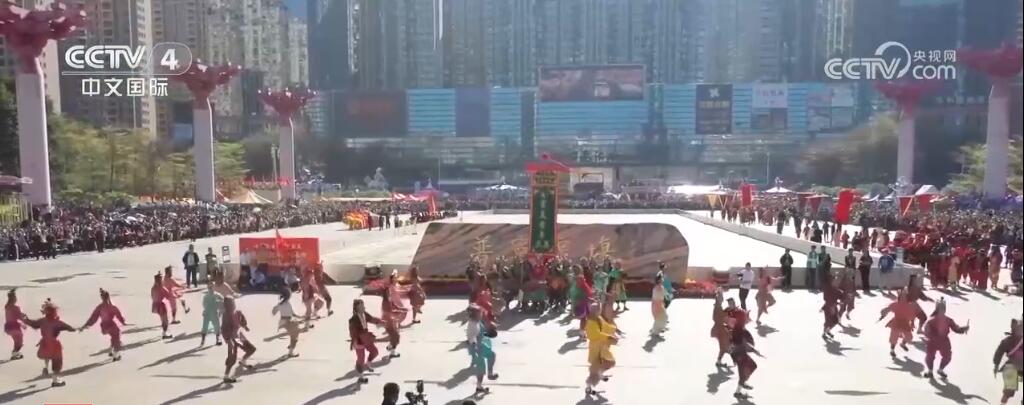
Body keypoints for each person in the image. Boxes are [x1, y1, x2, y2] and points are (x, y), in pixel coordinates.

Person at [24, 299, 74, 387]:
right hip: (54, 344)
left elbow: (33, 324)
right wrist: (77, 328)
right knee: (57, 361)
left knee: (47, 356)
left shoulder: (42, 321)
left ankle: (46, 368)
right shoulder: (57, 322)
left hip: (45, 343)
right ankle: (55, 380)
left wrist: (26, 320)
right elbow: (69, 328)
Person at [922, 298, 969, 379]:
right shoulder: (931, 320)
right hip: (932, 341)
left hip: (944, 341)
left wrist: (964, 328)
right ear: (937, 309)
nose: (942, 310)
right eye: (940, 308)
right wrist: (929, 337)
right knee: (930, 356)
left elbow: (956, 329)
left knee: (947, 356)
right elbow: (926, 331)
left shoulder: (948, 320)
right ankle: (930, 371)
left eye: (943, 308)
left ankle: (940, 370)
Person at [79, 289, 127, 361]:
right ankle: (116, 355)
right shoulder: (112, 306)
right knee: (117, 335)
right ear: (108, 297)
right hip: (110, 325)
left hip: (104, 327)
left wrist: (86, 325)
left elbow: (93, 318)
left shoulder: (100, 307)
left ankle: (111, 350)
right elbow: (118, 315)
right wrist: (123, 322)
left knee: (114, 336)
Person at [879, 289, 927, 358]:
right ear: (899, 297)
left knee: (909, 337)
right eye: (902, 297)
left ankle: (902, 344)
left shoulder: (911, 305)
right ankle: (892, 350)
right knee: (894, 338)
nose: (903, 298)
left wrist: (912, 322)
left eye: (904, 297)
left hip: (905, 323)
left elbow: (913, 314)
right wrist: (883, 313)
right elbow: (886, 309)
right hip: (896, 323)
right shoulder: (895, 304)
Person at [584, 304, 617, 397]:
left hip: (602, 346)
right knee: (596, 368)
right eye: (598, 310)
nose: (599, 311)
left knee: (610, 362)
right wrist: (608, 336)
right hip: (596, 347)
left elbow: (606, 327)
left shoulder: (598, 318)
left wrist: (614, 329)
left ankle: (599, 374)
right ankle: (589, 386)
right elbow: (594, 335)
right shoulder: (591, 322)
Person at [221, 296, 255, 383]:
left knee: (251, 349)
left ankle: (243, 361)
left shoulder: (238, 312)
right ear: (226, 305)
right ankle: (226, 376)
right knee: (232, 358)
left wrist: (245, 326)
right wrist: (228, 340)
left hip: (239, 336)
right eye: (229, 304)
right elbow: (224, 329)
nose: (232, 305)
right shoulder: (225, 315)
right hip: (232, 338)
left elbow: (242, 320)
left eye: (232, 303)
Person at [349, 299, 383, 384]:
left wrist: (380, 321)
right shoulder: (353, 319)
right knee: (361, 359)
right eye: (361, 306)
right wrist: (354, 342)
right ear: (357, 308)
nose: (363, 307)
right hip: (359, 340)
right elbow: (352, 332)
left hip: (366, 337)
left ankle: (368, 363)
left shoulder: (365, 314)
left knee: (374, 352)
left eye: (363, 305)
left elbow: (372, 319)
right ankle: (361, 376)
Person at [467, 304, 499, 394]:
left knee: (491, 355)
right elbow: (472, 337)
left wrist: (487, 333)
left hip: (481, 345)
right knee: (481, 368)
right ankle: (479, 386)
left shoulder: (477, 322)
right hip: (477, 348)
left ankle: (489, 374)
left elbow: (481, 332)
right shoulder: (473, 325)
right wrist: (475, 347)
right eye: (480, 313)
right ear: (475, 315)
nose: (481, 315)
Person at [730, 311, 761, 400]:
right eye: (745, 317)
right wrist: (754, 351)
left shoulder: (738, 327)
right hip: (740, 354)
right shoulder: (739, 329)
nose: (747, 318)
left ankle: (742, 384)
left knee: (752, 367)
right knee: (746, 371)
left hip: (739, 353)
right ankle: (738, 392)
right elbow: (743, 344)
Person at [993, 319, 1023, 405]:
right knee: (1009, 388)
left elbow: (999, 352)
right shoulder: (1009, 340)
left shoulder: (1008, 340)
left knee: (1008, 390)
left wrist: (996, 365)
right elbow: (999, 352)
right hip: (1014, 367)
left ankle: (1003, 402)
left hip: (1011, 367)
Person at [381, 276, 408, 359]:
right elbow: (389, 311)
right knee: (395, 337)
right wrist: (398, 311)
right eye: (388, 292)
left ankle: (390, 347)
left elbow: (395, 306)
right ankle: (392, 351)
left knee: (395, 336)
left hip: (393, 320)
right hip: (388, 322)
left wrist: (402, 309)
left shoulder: (389, 300)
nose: (390, 293)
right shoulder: (385, 302)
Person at [272, 288, 301, 358]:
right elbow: (293, 313)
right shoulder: (288, 304)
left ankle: (290, 346)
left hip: (282, 321)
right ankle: (291, 353)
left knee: (292, 334)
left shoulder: (280, 304)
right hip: (289, 322)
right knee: (295, 338)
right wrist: (300, 317)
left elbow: (273, 312)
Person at [4, 289, 26, 361]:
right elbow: (18, 316)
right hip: (14, 326)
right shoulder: (15, 307)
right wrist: (23, 321)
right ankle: (15, 353)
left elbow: (13, 316)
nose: (16, 299)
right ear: (14, 299)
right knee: (19, 341)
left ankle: (15, 353)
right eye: (15, 297)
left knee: (17, 341)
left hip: (8, 327)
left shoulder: (7, 306)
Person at [151, 274, 174, 339]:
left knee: (162, 319)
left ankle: (164, 333)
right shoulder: (162, 288)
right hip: (161, 305)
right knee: (165, 320)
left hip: (155, 305)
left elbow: (152, 296)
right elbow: (168, 295)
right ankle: (164, 334)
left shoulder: (153, 288)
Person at [650, 273, 668, 337]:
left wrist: (663, 303)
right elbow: (653, 299)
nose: (662, 280)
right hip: (656, 305)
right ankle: (655, 332)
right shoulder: (655, 289)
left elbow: (664, 296)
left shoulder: (662, 288)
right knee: (658, 318)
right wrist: (653, 307)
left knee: (664, 317)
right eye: (661, 279)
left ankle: (657, 330)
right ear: (658, 280)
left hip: (660, 305)